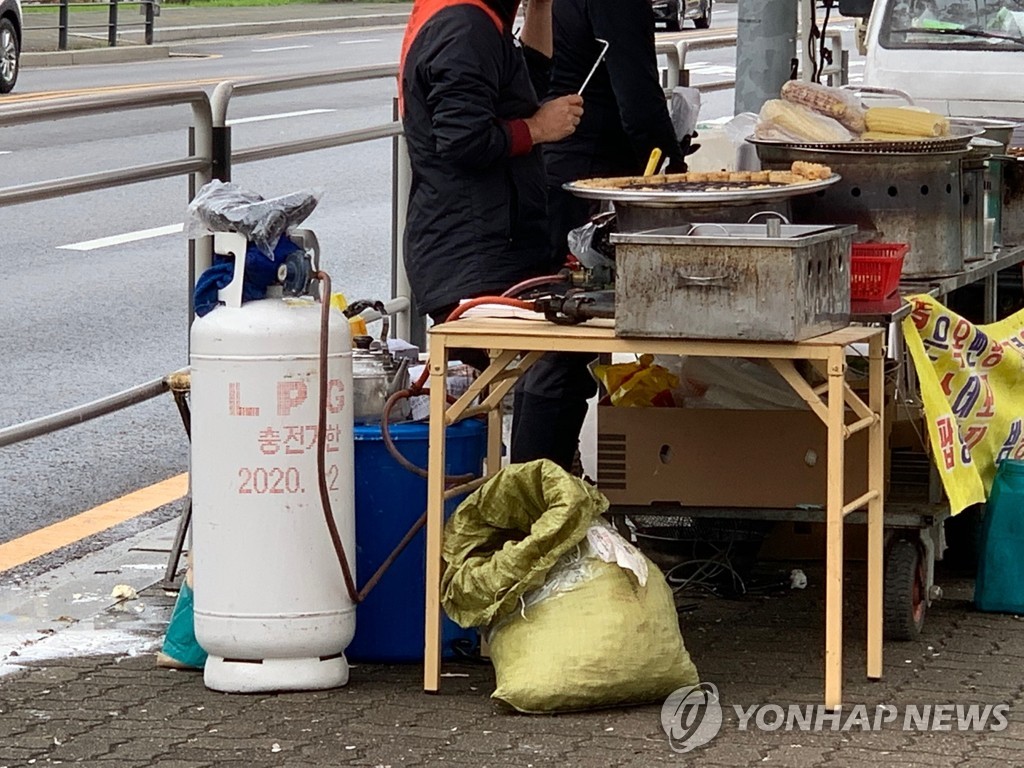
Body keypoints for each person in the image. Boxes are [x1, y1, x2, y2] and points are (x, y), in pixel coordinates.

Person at [400, 0, 592, 469]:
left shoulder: (482, 19)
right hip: (471, 255)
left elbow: (528, 82)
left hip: (489, 245)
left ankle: (539, 490)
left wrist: (541, 9)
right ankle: (534, 498)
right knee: (552, 363)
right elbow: (463, 140)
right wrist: (537, 128)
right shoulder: (463, 26)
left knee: (555, 363)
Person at [544, 0, 696, 261]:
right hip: (593, 174)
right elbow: (638, 99)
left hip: (557, 161)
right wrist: (672, 171)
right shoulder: (618, 6)